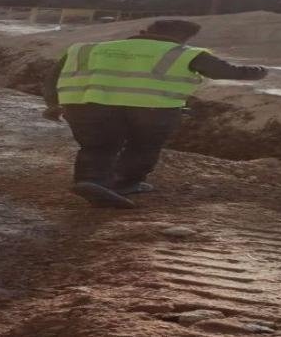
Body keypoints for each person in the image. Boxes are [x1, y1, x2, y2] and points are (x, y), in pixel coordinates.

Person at [42, 19, 268, 209]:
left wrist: (53, 104)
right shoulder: (185, 53)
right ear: (184, 38)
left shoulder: (86, 48)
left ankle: (90, 181)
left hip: (86, 105)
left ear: (142, 33)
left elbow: (53, 77)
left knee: (98, 146)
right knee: (143, 146)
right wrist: (260, 72)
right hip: (152, 108)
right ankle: (125, 183)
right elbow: (226, 71)